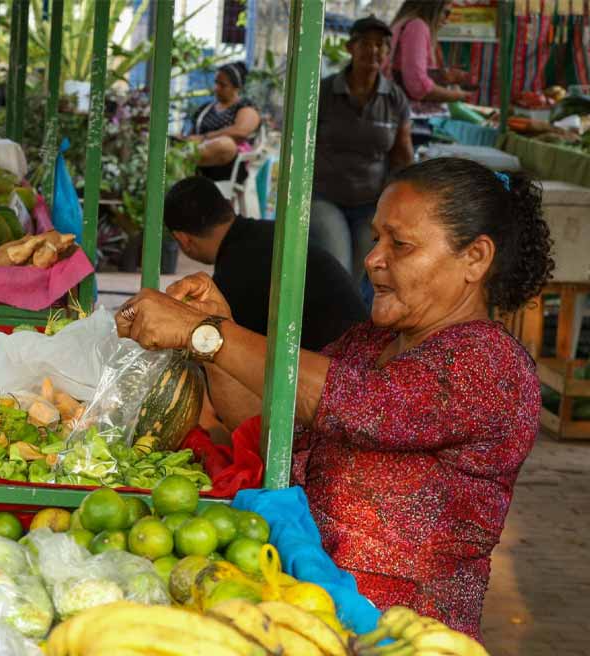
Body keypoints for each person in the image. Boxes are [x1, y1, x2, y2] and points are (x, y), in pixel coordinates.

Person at [116, 157, 553, 637]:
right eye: (376, 239)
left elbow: (361, 405)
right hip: (299, 611)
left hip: (396, 636)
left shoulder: (490, 365)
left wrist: (209, 333)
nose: (372, 259)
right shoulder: (368, 343)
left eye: (400, 245)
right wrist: (213, 344)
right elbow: (275, 428)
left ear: (476, 257)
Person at [165, 176, 368, 431]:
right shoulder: (269, 234)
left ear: (183, 239)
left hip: (337, 386)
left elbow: (230, 367)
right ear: (226, 206)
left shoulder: (232, 275)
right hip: (354, 365)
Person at [312, 15, 414, 305]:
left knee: (365, 272)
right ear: (350, 48)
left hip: (371, 203)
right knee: (336, 265)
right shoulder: (325, 92)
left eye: (381, 45)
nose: (373, 51)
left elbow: (402, 155)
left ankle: (352, 338)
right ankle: (328, 336)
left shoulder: (394, 99)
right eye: (366, 44)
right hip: (325, 198)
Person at [384, 1, 475, 109]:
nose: (447, 20)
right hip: (408, 113)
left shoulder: (402, 24)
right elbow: (417, 85)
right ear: (433, 8)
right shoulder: (417, 26)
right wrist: (459, 96)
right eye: (446, 13)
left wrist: (443, 76)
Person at [186, 62, 261, 182]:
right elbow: (192, 135)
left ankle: (182, 158)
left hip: (227, 166)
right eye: (216, 83)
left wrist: (204, 138)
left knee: (226, 144)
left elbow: (240, 132)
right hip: (200, 163)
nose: (217, 88)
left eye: (223, 85)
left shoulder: (246, 107)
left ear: (237, 87)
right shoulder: (206, 109)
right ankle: (181, 159)